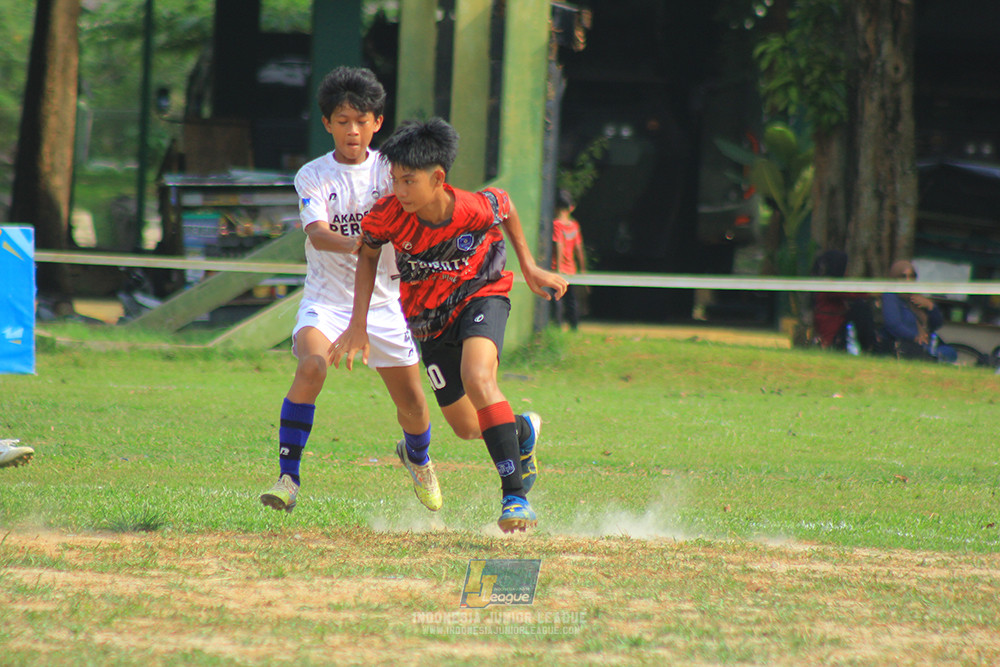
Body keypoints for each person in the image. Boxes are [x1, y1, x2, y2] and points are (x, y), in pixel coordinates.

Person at [332, 118, 569, 533]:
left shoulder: (472, 208)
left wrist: (529, 268)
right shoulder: (387, 216)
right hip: (429, 321)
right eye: (394, 180)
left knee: (478, 377)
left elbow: (506, 206)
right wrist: (358, 324)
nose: (399, 191)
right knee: (465, 427)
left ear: (438, 178)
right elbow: (368, 255)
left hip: (482, 294)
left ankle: (515, 498)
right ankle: (521, 428)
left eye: (408, 181)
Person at [259, 67, 438, 515]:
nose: (352, 130)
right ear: (327, 124)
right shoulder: (313, 175)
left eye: (362, 120)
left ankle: (417, 457)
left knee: (414, 404)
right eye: (342, 121)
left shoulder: (392, 171)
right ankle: (287, 478)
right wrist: (364, 243)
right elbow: (318, 234)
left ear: (377, 122)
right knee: (312, 366)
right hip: (327, 302)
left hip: (385, 304)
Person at [878, 259, 957, 363]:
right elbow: (893, 324)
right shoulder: (890, 296)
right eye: (903, 277)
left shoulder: (915, 297)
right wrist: (915, 337)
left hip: (926, 343)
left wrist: (930, 306)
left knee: (950, 352)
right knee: (932, 355)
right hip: (905, 344)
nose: (908, 280)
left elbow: (936, 324)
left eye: (911, 276)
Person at [810, 249, 878, 352]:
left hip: (840, 328)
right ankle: (870, 347)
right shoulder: (828, 286)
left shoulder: (830, 283)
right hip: (832, 335)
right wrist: (870, 293)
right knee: (860, 308)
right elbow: (850, 293)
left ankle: (870, 345)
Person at [551, 189, 587, 330]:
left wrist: (558, 269)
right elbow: (579, 249)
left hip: (557, 269)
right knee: (571, 300)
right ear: (571, 207)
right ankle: (574, 326)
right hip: (571, 270)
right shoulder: (574, 226)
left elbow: (558, 245)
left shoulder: (556, 225)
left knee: (557, 299)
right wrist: (583, 270)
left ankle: (558, 325)